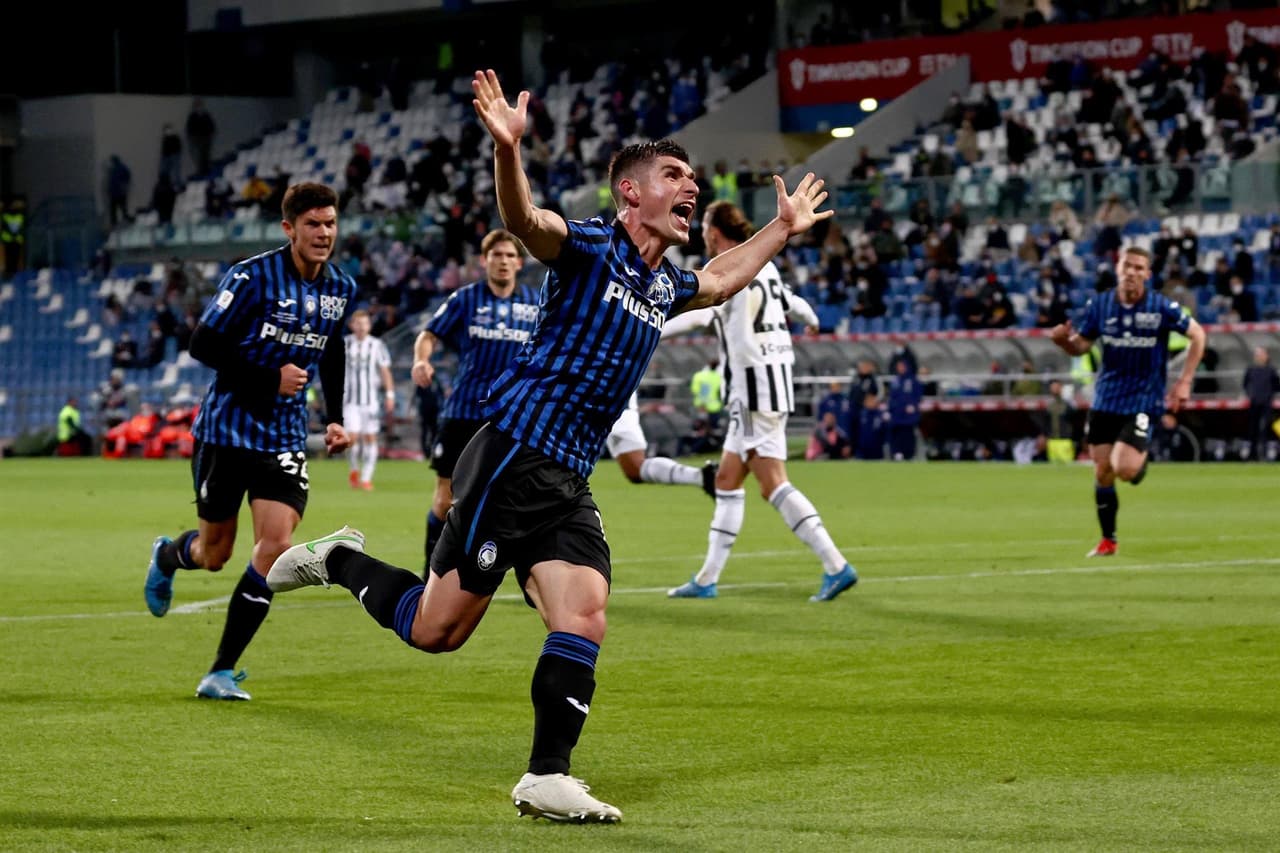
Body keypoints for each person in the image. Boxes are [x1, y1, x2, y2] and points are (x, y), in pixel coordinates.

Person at [264, 69, 832, 823]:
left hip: (568, 476)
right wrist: (508, 150)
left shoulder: (663, 286)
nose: (690, 186)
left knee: (585, 612)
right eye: (673, 175)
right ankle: (337, 559)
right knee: (436, 630)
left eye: (692, 177)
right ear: (630, 192)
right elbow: (527, 219)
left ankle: (546, 776)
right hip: (513, 455)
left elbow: (722, 279)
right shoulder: (592, 246)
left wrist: (781, 228)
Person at [142, 183, 357, 700]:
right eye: (313, 224)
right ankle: (169, 556)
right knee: (214, 553)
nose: (323, 233)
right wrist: (268, 378)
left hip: (283, 437)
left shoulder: (341, 286)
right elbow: (203, 343)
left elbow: (332, 350)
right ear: (289, 228)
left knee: (276, 547)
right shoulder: (252, 276)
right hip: (226, 432)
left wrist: (335, 418)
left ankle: (220, 670)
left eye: (330, 223)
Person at [667, 199, 853, 603]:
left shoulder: (728, 267)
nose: (702, 234)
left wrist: (648, 326)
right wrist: (812, 320)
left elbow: (701, 315)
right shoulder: (764, 264)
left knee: (772, 484)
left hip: (753, 389)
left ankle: (836, 565)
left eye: (705, 227)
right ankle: (707, 579)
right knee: (727, 480)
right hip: (773, 382)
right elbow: (794, 303)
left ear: (715, 232)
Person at [1050, 245, 1206, 557]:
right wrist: (1063, 342)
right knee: (1102, 471)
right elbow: (1081, 345)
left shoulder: (1161, 307)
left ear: (1147, 274)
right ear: (1117, 268)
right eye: (1127, 266)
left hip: (1143, 401)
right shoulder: (1100, 305)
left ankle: (1139, 462)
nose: (1132, 272)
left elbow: (1198, 335)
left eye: (1139, 268)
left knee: (1124, 468)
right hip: (1105, 400)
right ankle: (1108, 540)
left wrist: (1184, 381)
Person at [409, 228, 539, 572]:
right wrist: (421, 360)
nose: (503, 261)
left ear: (519, 263)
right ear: (484, 261)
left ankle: (502, 573)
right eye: (497, 255)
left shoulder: (535, 304)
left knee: (511, 502)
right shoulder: (466, 299)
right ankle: (431, 576)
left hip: (511, 419)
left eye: (510, 255)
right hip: (463, 412)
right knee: (445, 501)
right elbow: (428, 334)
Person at [603, 390, 717, 496]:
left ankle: (704, 477)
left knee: (636, 467)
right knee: (635, 468)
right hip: (619, 400)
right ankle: (700, 476)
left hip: (608, 396)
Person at [343, 308, 395, 490]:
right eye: (358, 323)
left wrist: (390, 394)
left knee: (370, 438)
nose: (362, 327)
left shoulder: (377, 345)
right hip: (349, 401)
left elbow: (385, 371)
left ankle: (366, 478)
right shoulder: (345, 344)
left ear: (369, 326)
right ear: (352, 325)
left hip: (370, 401)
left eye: (365, 323)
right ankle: (354, 470)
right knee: (351, 438)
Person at [1243, 346, 1279, 461]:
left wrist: (1270, 395)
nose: (1258, 357)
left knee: (1264, 428)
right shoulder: (1251, 370)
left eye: (1261, 354)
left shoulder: (1271, 370)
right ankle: (1252, 455)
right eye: (1257, 355)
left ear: (1266, 356)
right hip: (1254, 403)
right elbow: (1245, 384)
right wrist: (1250, 394)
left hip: (1266, 403)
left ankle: (1263, 454)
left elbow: (1277, 385)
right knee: (1252, 429)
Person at [689, 357, 724, 432]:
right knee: (714, 428)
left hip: (701, 405)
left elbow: (695, 389)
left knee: (699, 427)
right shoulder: (719, 376)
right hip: (714, 406)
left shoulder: (699, 375)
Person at [185, 98, 217, 177]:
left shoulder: (206, 115)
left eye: (200, 105)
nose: (199, 107)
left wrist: (210, 134)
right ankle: (201, 171)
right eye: (197, 105)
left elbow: (212, 126)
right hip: (197, 139)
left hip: (206, 138)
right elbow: (189, 128)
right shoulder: (192, 116)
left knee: (206, 155)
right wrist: (192, 137)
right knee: (199, 156)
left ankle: (206, 171)